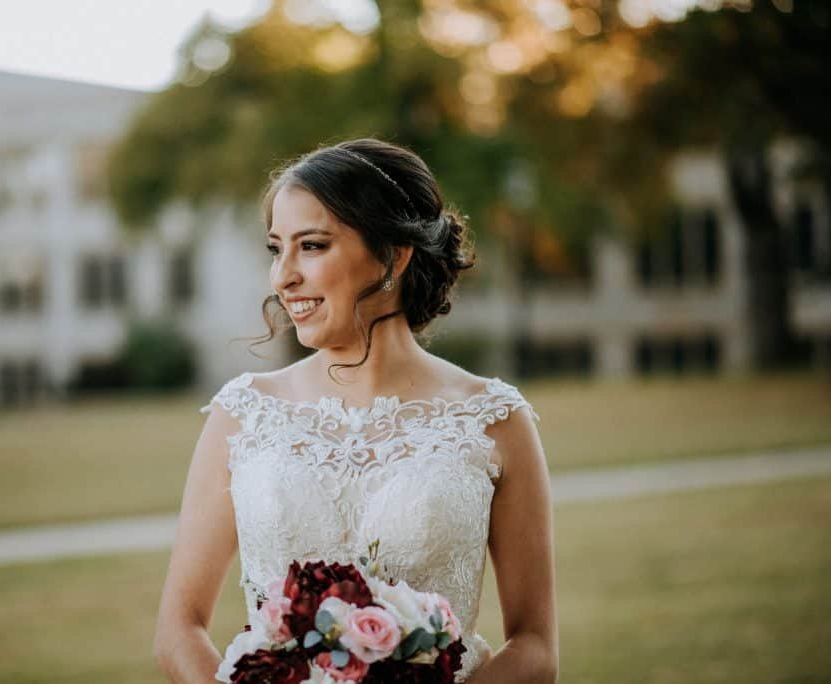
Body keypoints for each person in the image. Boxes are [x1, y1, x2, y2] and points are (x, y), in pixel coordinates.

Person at [154, 138, 558, 683]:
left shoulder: (493, 419)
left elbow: (534, 647)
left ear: (393, 253)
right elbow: (178, 629)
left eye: (313, 246)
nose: (283, 277)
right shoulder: (243, 414)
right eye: (277, 249)